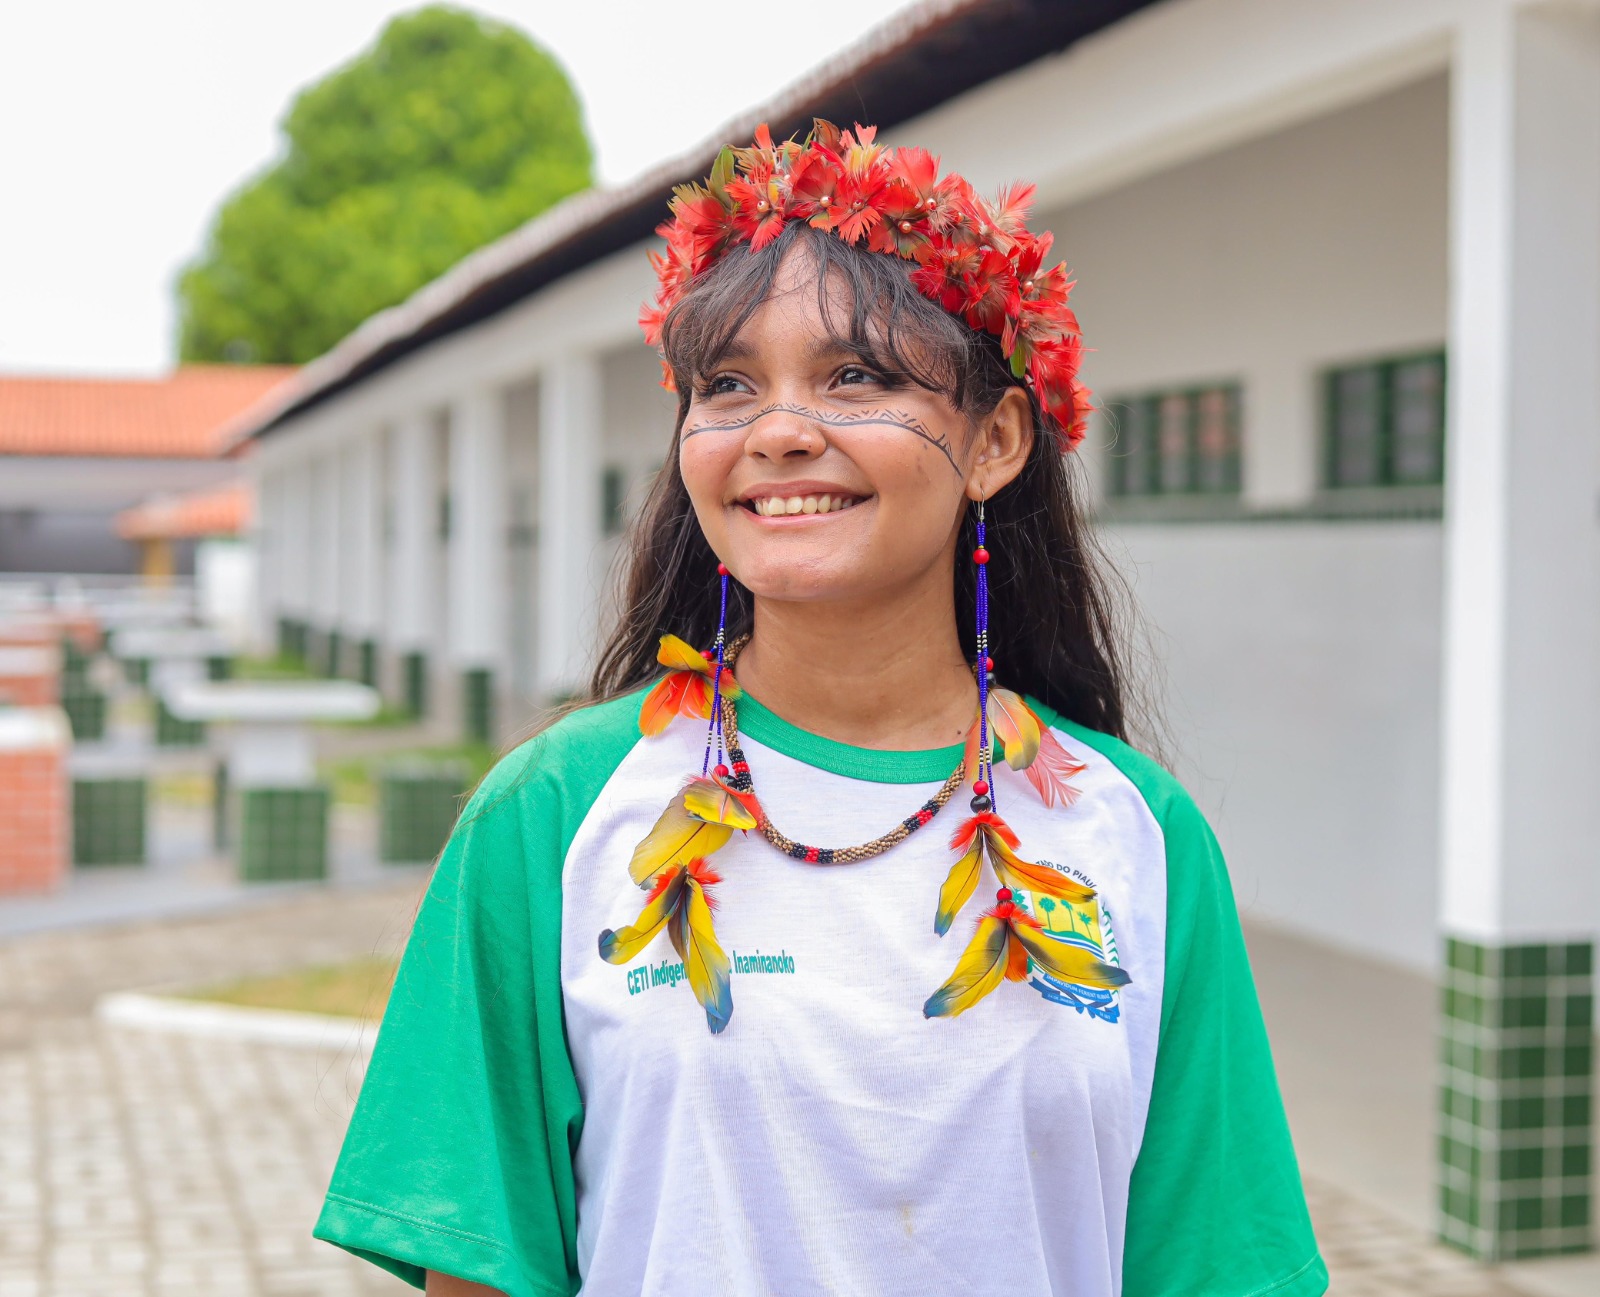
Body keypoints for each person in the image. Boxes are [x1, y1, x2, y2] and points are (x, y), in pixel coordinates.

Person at [313, 121, 1328, 1297]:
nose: (778, 431)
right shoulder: (555, 812)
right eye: (727, 385)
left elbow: (1214, 1263)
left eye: (857, 376)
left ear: (996, 440)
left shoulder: (1132, 831)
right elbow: (481, 1270)